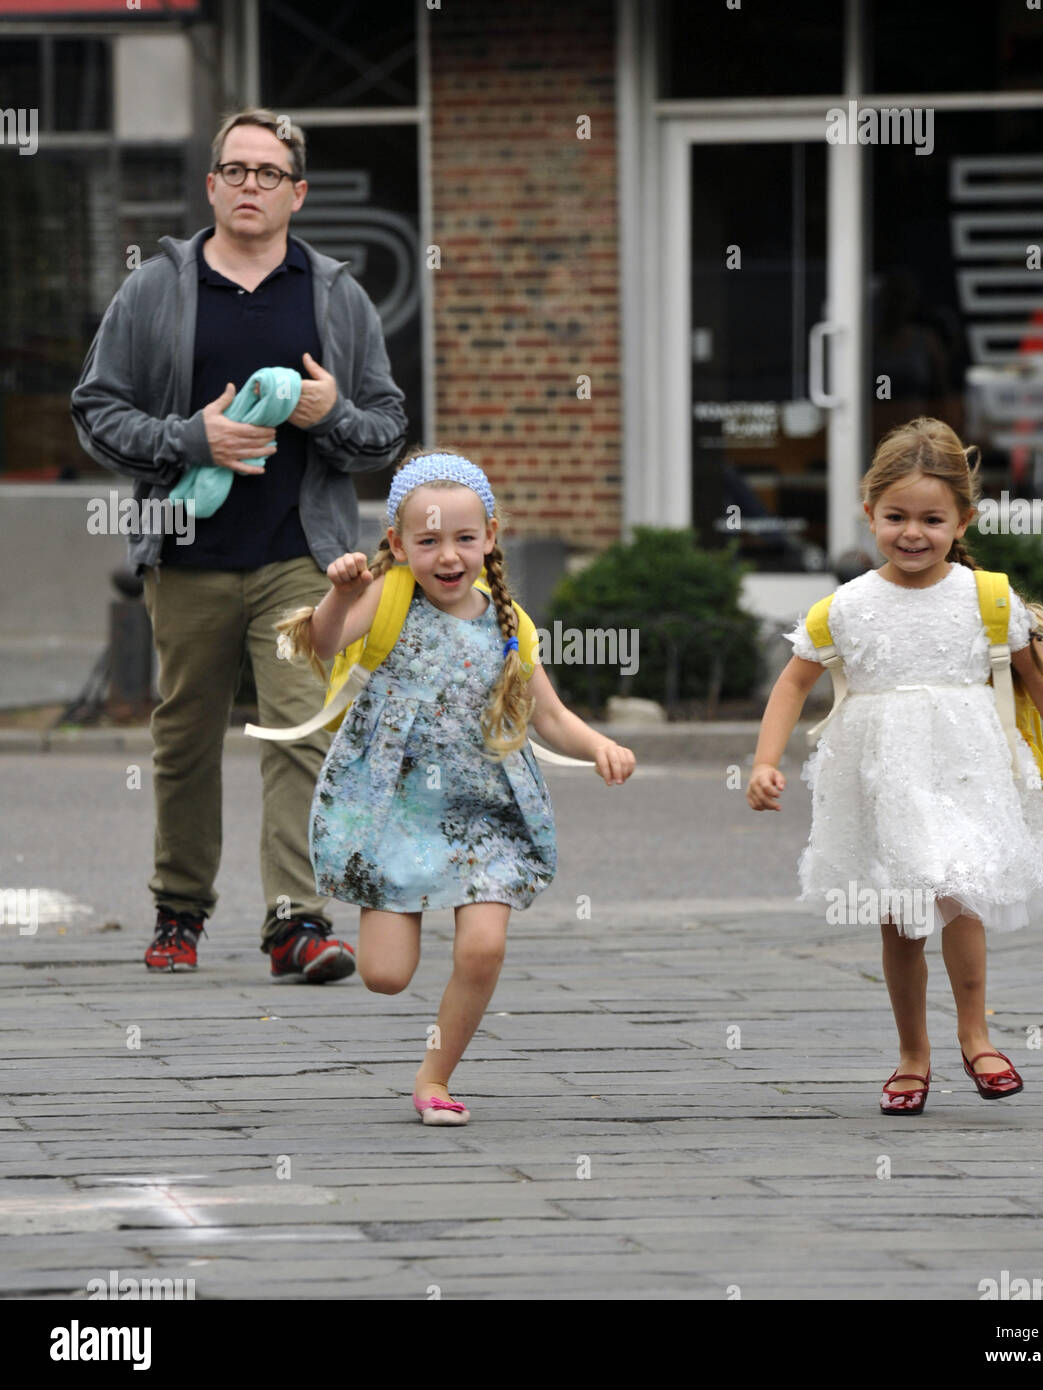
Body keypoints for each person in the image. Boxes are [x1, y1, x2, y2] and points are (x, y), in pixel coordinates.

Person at [71, 107, 408, 979]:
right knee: (183, 740)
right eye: (236, 170)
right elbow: (96, 412)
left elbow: (388, 431)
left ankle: (297, 922)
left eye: (269, 173)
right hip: (185, 552)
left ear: (296, 193)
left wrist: (331, 413)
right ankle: (179, 911)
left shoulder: (334, 295)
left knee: (299, 729)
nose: (250, 185)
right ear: (211, 185)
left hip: (304, 553)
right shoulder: (158, 289)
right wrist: (192, 441)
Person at [746, 418, 1043, 1115]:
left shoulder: (986, 598)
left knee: (961, 892)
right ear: (868, 512)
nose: (913, 533)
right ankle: (912, 1054)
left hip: (968, 770)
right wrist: (763, 761)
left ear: (963, 518)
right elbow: (792, 682)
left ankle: (976, 1033)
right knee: (903, 917)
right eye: (896, 516)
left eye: (932, 519)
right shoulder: (846, 607)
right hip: (885, 778)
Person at [277, 451, 636, 1123]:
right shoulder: (385, 599)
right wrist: (343, 592)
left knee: (484, 945)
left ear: (490, 538)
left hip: (483, 811)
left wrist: (600, 747)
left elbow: (550, 717)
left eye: (464, 538)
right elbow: (322, 644)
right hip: (395, 806)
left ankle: (434, 1077)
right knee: (386, 976)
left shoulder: (510, 625)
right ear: (397, 544)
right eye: (429, 539)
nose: (448, 555)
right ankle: (397, 924)